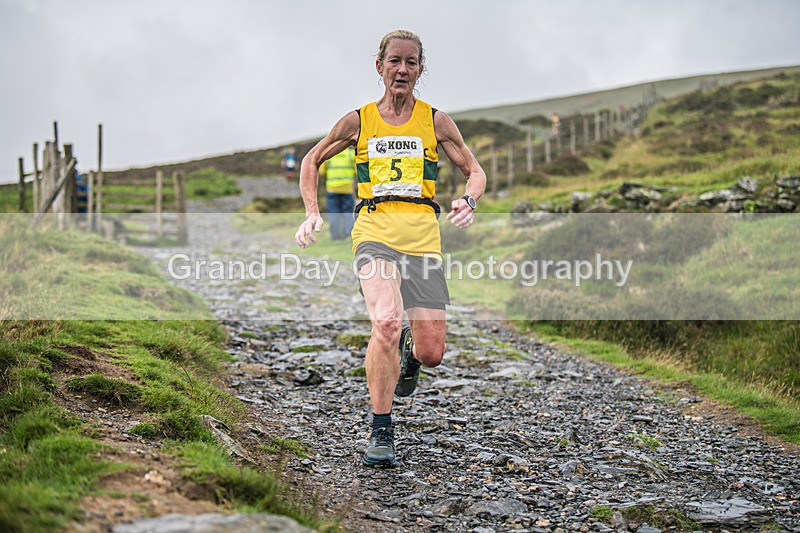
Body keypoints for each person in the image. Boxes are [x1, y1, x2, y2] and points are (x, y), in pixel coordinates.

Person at [295, 29, 486, 468]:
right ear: (379, 66)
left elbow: (475, 170)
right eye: (394, 61)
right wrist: (311, 211)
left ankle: (409, 350)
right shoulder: (358, 120)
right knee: (383, 319)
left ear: (420, 70)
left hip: (422, 236)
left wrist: (469, 199)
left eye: (411, 62)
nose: (402, 69)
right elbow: (311, 160)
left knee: (431, 354)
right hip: (374, 230)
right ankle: (381, 429)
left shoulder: (435, 121)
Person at [319, 146, 356, 240]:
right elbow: (356, 170)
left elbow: (322, 171)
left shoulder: (328, 154)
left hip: (332, 188)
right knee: (348, 211)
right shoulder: (351, 154)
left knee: (333, 211)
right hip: (347, 188)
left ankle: (335, 236)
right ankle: (348, 234)